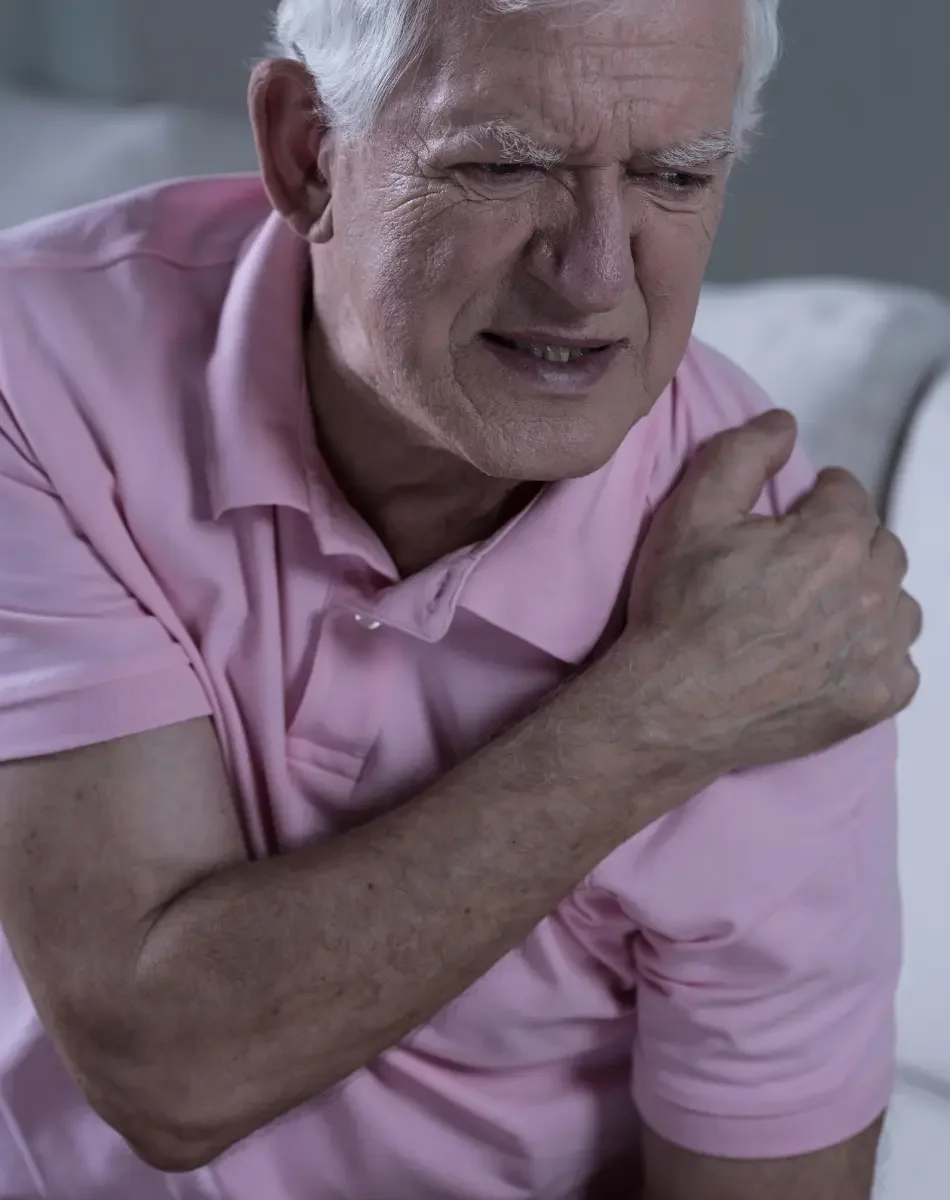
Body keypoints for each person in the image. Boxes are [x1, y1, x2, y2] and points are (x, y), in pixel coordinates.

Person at [0, 0, 921, 1196]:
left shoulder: (776, 593)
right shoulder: (40, 364)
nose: (593, 276)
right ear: (305, 151)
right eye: (501, 165)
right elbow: (165, 1068)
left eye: (674, 176)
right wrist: (654, 716)